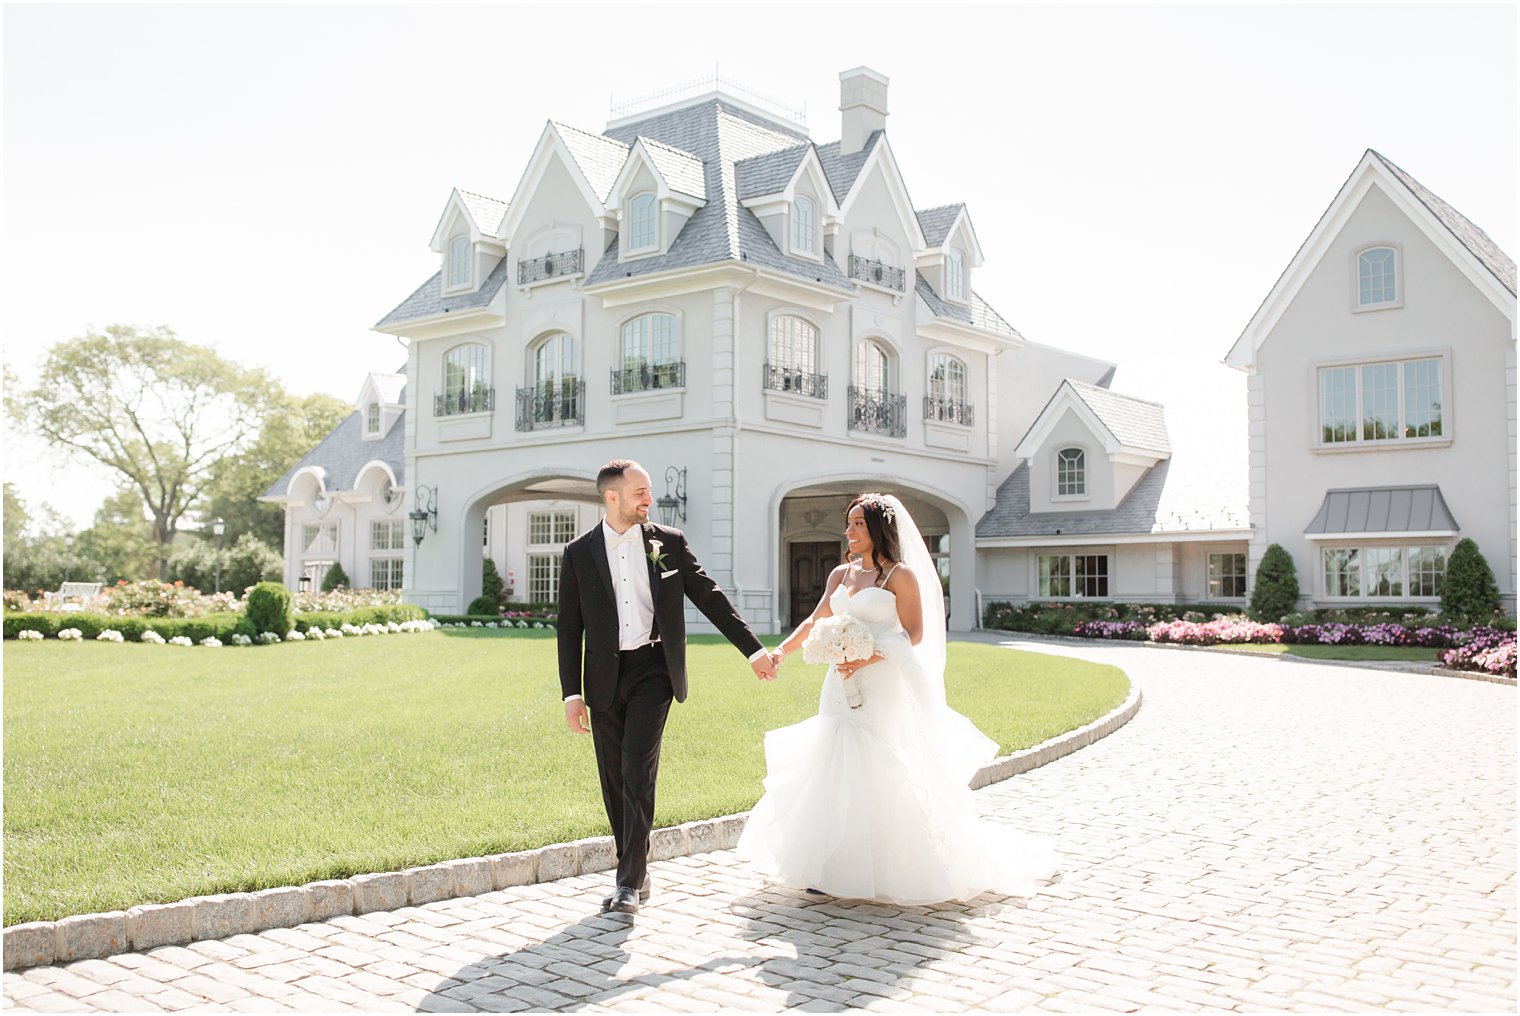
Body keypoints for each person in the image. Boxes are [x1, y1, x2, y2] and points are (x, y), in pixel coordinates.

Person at [737, 493, 1060, 904]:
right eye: (848, 523)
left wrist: (865, 656)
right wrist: (782, 649)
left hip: (881, 680)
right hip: (839, 682)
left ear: (877, 529)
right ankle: (830, 866)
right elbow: (815, 619)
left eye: (857, 524)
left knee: (878, 763)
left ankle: (891, 865)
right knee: (833, 759)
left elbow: (914, 633)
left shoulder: (900, 576)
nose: (849, 531)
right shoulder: (840, 574)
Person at [558, 459, 776, 915]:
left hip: (655, 671)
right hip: (602, 679)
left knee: (637, 769)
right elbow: (568, 628)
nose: (648, 499)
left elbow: (708, 595)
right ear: (611, 497)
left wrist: (753, 651)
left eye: (649, 491)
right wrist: (571, 693)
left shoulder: (668, 543)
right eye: (639, 492)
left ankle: (628, 883)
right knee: (614, 777)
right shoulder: (578, 553)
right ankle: (635, 866)